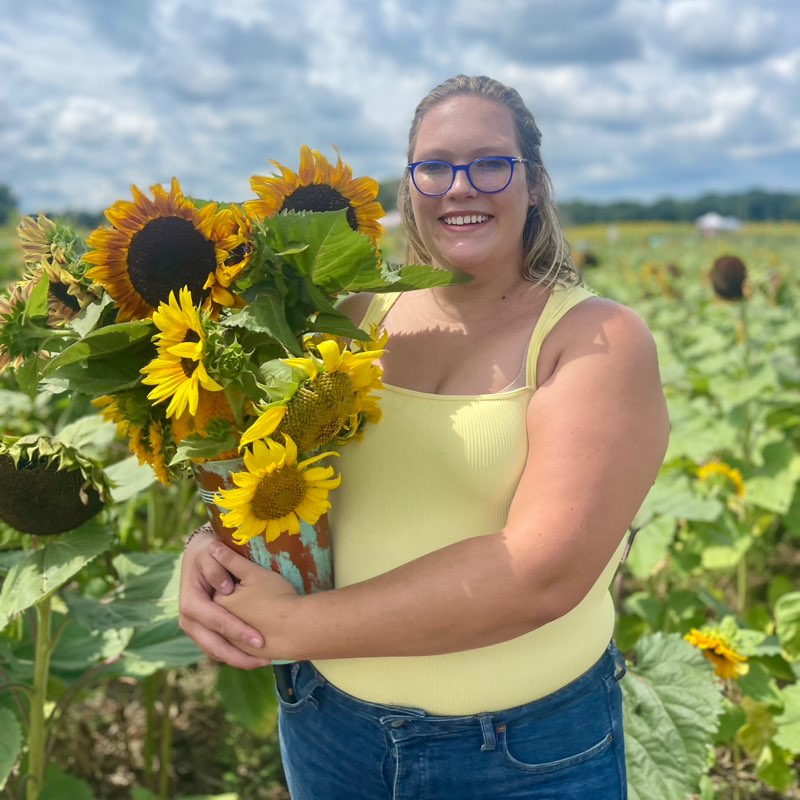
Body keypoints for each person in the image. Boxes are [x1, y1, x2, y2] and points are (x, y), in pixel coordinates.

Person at [179, 74, 670, 799]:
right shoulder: (349, 316)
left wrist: (292, 630)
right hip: (327, 727)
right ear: (410, 186)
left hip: (521, 754)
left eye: (490, 164)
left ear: (532, 184)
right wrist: (215, 549)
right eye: (434, 166)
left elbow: (541, 573)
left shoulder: (594, 340)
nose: (459, 187)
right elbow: (279, 479)